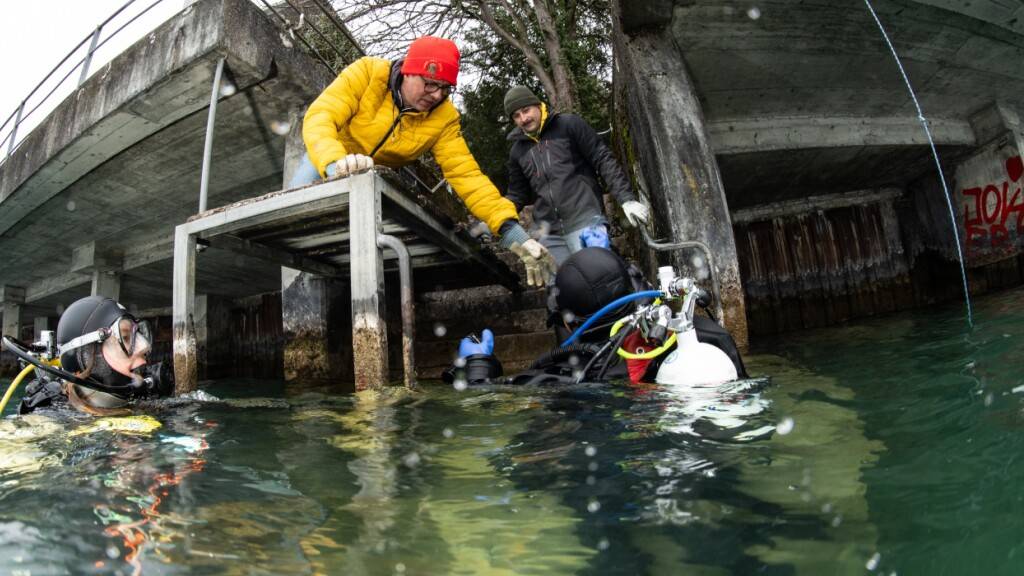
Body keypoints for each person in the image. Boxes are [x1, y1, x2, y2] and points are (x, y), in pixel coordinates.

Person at [290, 36, 556, 287]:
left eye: (445, 88)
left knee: (364, 240)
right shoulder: (368, 73)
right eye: (431, 83)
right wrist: (337, 162)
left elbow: (466, 175)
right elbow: (321, 116)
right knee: (292, 216)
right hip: (331, 158)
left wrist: (512, 232)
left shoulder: (444, 118)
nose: (437, 95)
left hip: (379, 177)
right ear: (408, 70)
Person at [445, 248, 747, 387]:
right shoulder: (707, 335)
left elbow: (483, 393)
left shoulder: (571, 377)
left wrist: (477, 364)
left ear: (568, 322)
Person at [503, 85, 651, 265]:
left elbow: (602, 159)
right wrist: (499, 221)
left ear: (537, 105)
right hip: (548, 235)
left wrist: (625, 198)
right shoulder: (517, 152)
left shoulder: (569, 124)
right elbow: (517, 194)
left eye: (526, 110)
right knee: (567, 290)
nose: (523, 118)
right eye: (516, 116)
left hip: (586, 222)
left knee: (600, 277)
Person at [11, 296, 172, 415]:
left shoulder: (146, 400)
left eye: (140, 334)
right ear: (85, 356)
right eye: (126, 338)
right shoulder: (47, 418)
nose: (145, 346)